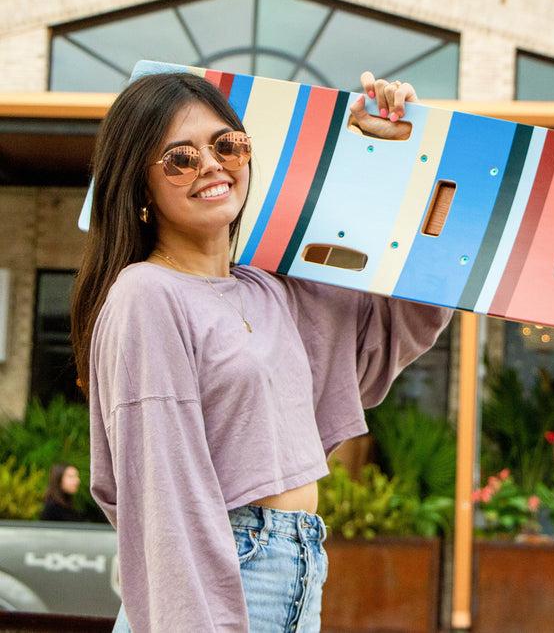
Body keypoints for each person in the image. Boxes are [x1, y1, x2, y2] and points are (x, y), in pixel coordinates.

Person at [70, 68, 452, 633]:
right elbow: (164, 497)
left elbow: (404, 315)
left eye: (228, 145)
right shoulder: (146, 295)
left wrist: (392, 152)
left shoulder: (270, 289)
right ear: (140, 188)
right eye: (180, 158)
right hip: (219, 578)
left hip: (297, 570)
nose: (212, 166)